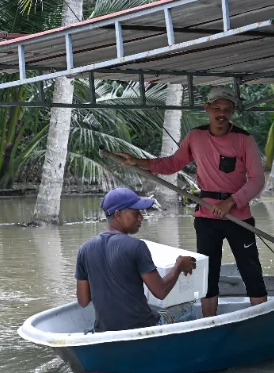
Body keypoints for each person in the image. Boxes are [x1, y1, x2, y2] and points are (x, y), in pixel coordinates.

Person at [114, 86, 266, 317]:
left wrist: (231, 202)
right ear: (207, 109)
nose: (221, 113)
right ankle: (208, 322)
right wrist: (138, 162)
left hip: (238, 216)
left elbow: (257, 180)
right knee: (208, 272)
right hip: (206, 216)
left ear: (233, 111)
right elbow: (172, 164)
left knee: (250, 269)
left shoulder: (244, 139)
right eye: (216, 108)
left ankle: (263, 317)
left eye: (227, 109)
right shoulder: (196, 136)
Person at [75, 187, 197, 333]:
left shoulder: (84, 250)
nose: (141, 217)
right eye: (136, 213)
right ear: (118, 214)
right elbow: (160, 291)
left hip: (103, 331)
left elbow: (83, 300)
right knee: (189, 308)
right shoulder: (136, 246)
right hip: (143, 328)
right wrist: (179, 265)